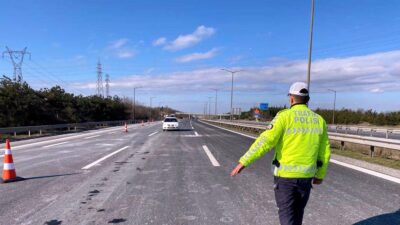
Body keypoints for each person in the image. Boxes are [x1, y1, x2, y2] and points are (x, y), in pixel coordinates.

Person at [230, 82, 331, 225]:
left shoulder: (284, 117)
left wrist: (244, 162)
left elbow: (265, 141)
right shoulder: (319, 120)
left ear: (291, 99)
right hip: (306, 178)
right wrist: (320, 175)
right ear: (308, 99)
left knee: (286, 216)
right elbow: (325, 151)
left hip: (286, 179)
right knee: (297, 215)